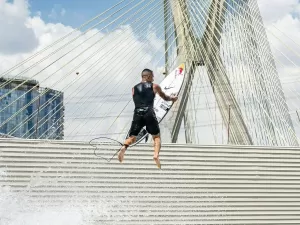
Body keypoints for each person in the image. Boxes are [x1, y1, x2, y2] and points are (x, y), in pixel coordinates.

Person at [118, 68, 178, 168]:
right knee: (156, 137)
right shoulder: (154, 86)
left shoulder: (133, 88)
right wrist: (173, 99)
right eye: (152, 76)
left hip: (137, 113)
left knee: (132, 137)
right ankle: (155, 155)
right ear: (148, 76)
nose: (153, 78)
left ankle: (124, 147)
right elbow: (165, 98)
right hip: (149, 113)